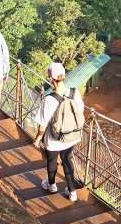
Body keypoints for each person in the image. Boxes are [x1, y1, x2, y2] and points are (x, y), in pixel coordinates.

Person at [32, 62, 85, 202]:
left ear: (50, 78)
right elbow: (80, 112)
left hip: (54, 139)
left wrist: (37, 139)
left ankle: (52, 185)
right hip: (71, 136)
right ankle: (72, 192)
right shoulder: (75, 93)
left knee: (52, 161)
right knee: (67, 160)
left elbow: (42, 125)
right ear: (64, 76)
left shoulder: (49, 99)